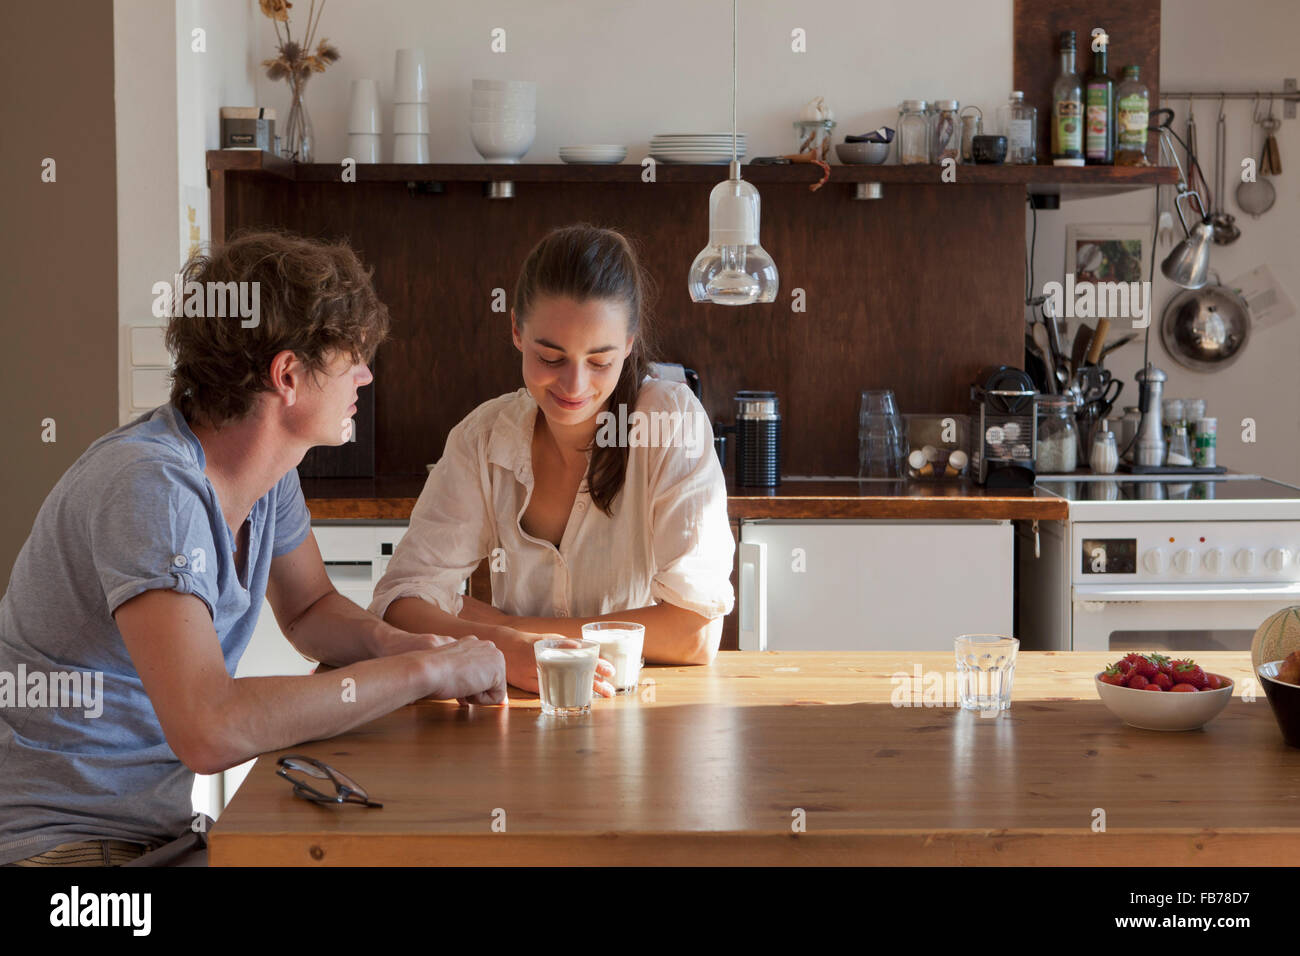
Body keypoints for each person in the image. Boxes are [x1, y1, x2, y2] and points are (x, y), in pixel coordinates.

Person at [0, 230, 506, 867]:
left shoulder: (268, 477)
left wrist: (401, 645)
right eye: (351, 357)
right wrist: (423, 673)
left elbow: (310, 608)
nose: (366, 374)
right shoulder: (152, 489)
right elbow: (208, 729)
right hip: (59, 856)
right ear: (287, 376)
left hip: (150, 840)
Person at [370, 224, 735, 695]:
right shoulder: (483, 437)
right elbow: (399, 604)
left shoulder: (670, 420)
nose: (575, 385)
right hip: (515, 717)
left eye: (600, 361)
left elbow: (695, 634)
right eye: (550, 356)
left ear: (629, 344)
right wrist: (507, 637)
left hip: (641, 718)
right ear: (517, 331)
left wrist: (507, 631)